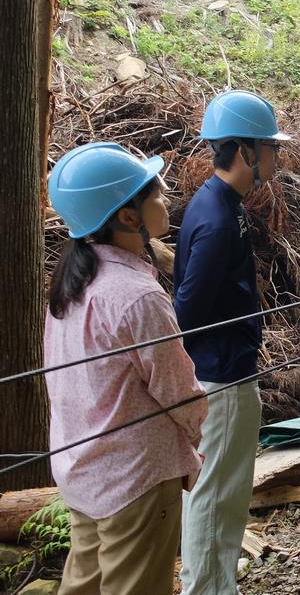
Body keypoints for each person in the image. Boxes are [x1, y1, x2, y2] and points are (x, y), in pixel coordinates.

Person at [45, 143, 207, 594]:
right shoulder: (136, 295)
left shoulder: (72, 285)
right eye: (153, 192)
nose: (166, 198)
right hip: (136, 477)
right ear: (128, 217)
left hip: (82, 469)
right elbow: (177, 389)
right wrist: (200, 438)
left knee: (84, 585)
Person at [175, 90, 288, 594]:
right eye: (269, 147)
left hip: (226, 368)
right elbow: (189, 309)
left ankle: (216, 582)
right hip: (220, 377)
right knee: (215, 492)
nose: (276, 157)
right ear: (243, 152)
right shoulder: (219, 219)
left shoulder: (219, 203)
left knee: (221, 490)